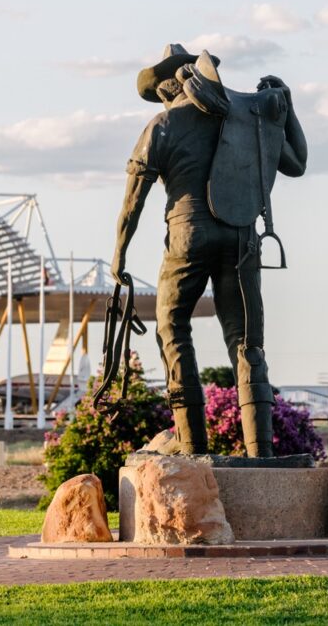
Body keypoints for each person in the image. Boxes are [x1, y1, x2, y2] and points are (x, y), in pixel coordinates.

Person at [111, 44, 307, 456]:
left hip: (188, 235)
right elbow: (295, 162)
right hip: (241, 236)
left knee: (172, 325)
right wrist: (287, 108)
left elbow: (134, 198)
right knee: (246, 341)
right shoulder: (245, 120)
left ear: (169, 85)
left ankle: (193, 447)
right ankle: (261, 452)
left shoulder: (163, 124)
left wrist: (120, 254)